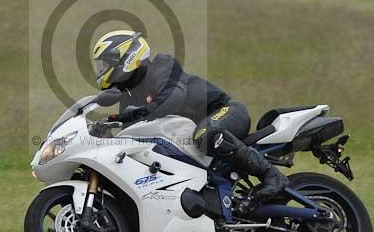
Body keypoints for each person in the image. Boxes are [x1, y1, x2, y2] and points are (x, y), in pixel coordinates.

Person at [91, 29, 288, 202]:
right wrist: (107, 137)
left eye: (108, 62)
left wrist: (137, 112)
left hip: (225, 111)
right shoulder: (129, 97)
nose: (103, 69)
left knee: (204, 135)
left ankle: (272, 175)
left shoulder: (162, 66)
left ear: (128, 55)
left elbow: (173, 98)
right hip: (191, 138)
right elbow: (130, 140)